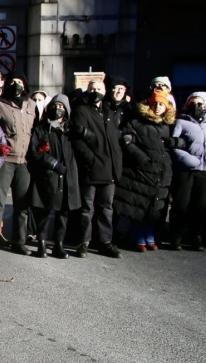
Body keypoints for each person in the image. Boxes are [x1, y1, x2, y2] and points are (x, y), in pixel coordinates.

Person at [113, 90, 174, 252]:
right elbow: (126, 140)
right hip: (142, 170)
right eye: (155, 104)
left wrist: (176, 142)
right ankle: (137, 238)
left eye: (161, 104)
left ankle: (150, 237)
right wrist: (140, 157)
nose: (158, 107)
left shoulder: (167, 126)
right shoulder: (137, 122)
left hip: (160, 171)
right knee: (139, 205)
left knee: (155, 207)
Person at [69, 79, 124, 258]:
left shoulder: (108, 112)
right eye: (92, 89)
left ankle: (105, 242)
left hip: (109, 169)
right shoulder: (81, 110)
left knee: (106, 208)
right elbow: (78, 141)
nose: (95, 92)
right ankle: (83, 242)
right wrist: (91, 160)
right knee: (87, 208)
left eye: (99, 89)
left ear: (105, 90)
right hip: (91, 168)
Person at [168, 92, 206, 251]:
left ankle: (196, 236)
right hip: (187, 169)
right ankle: (176, 237)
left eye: (200, 104)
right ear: (187, 105)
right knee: (182, 203)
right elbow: (172, 145)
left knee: (200, 205)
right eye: (193, 103)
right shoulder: (180, 121)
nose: (197, 107)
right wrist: (188, 160)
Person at [0, 72, 37, 255]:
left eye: (20, 82)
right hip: (6, 161)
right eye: (13, 82)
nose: (16, 85)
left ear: (25, 85)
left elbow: (36, 129)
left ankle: (19, 241)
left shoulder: (31, 105)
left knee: (22, 204)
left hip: (24, 161)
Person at [28, 95, 80, 258]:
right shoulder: (42, 128)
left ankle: (59, 245)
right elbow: (35, 152)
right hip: (48, 175)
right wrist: (53, 164)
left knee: (63, 213)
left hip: (67, 177)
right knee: (43, 211)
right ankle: (41, 245)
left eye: (62, 107)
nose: (58, 109)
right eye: (56, 106)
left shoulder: (70, 130)